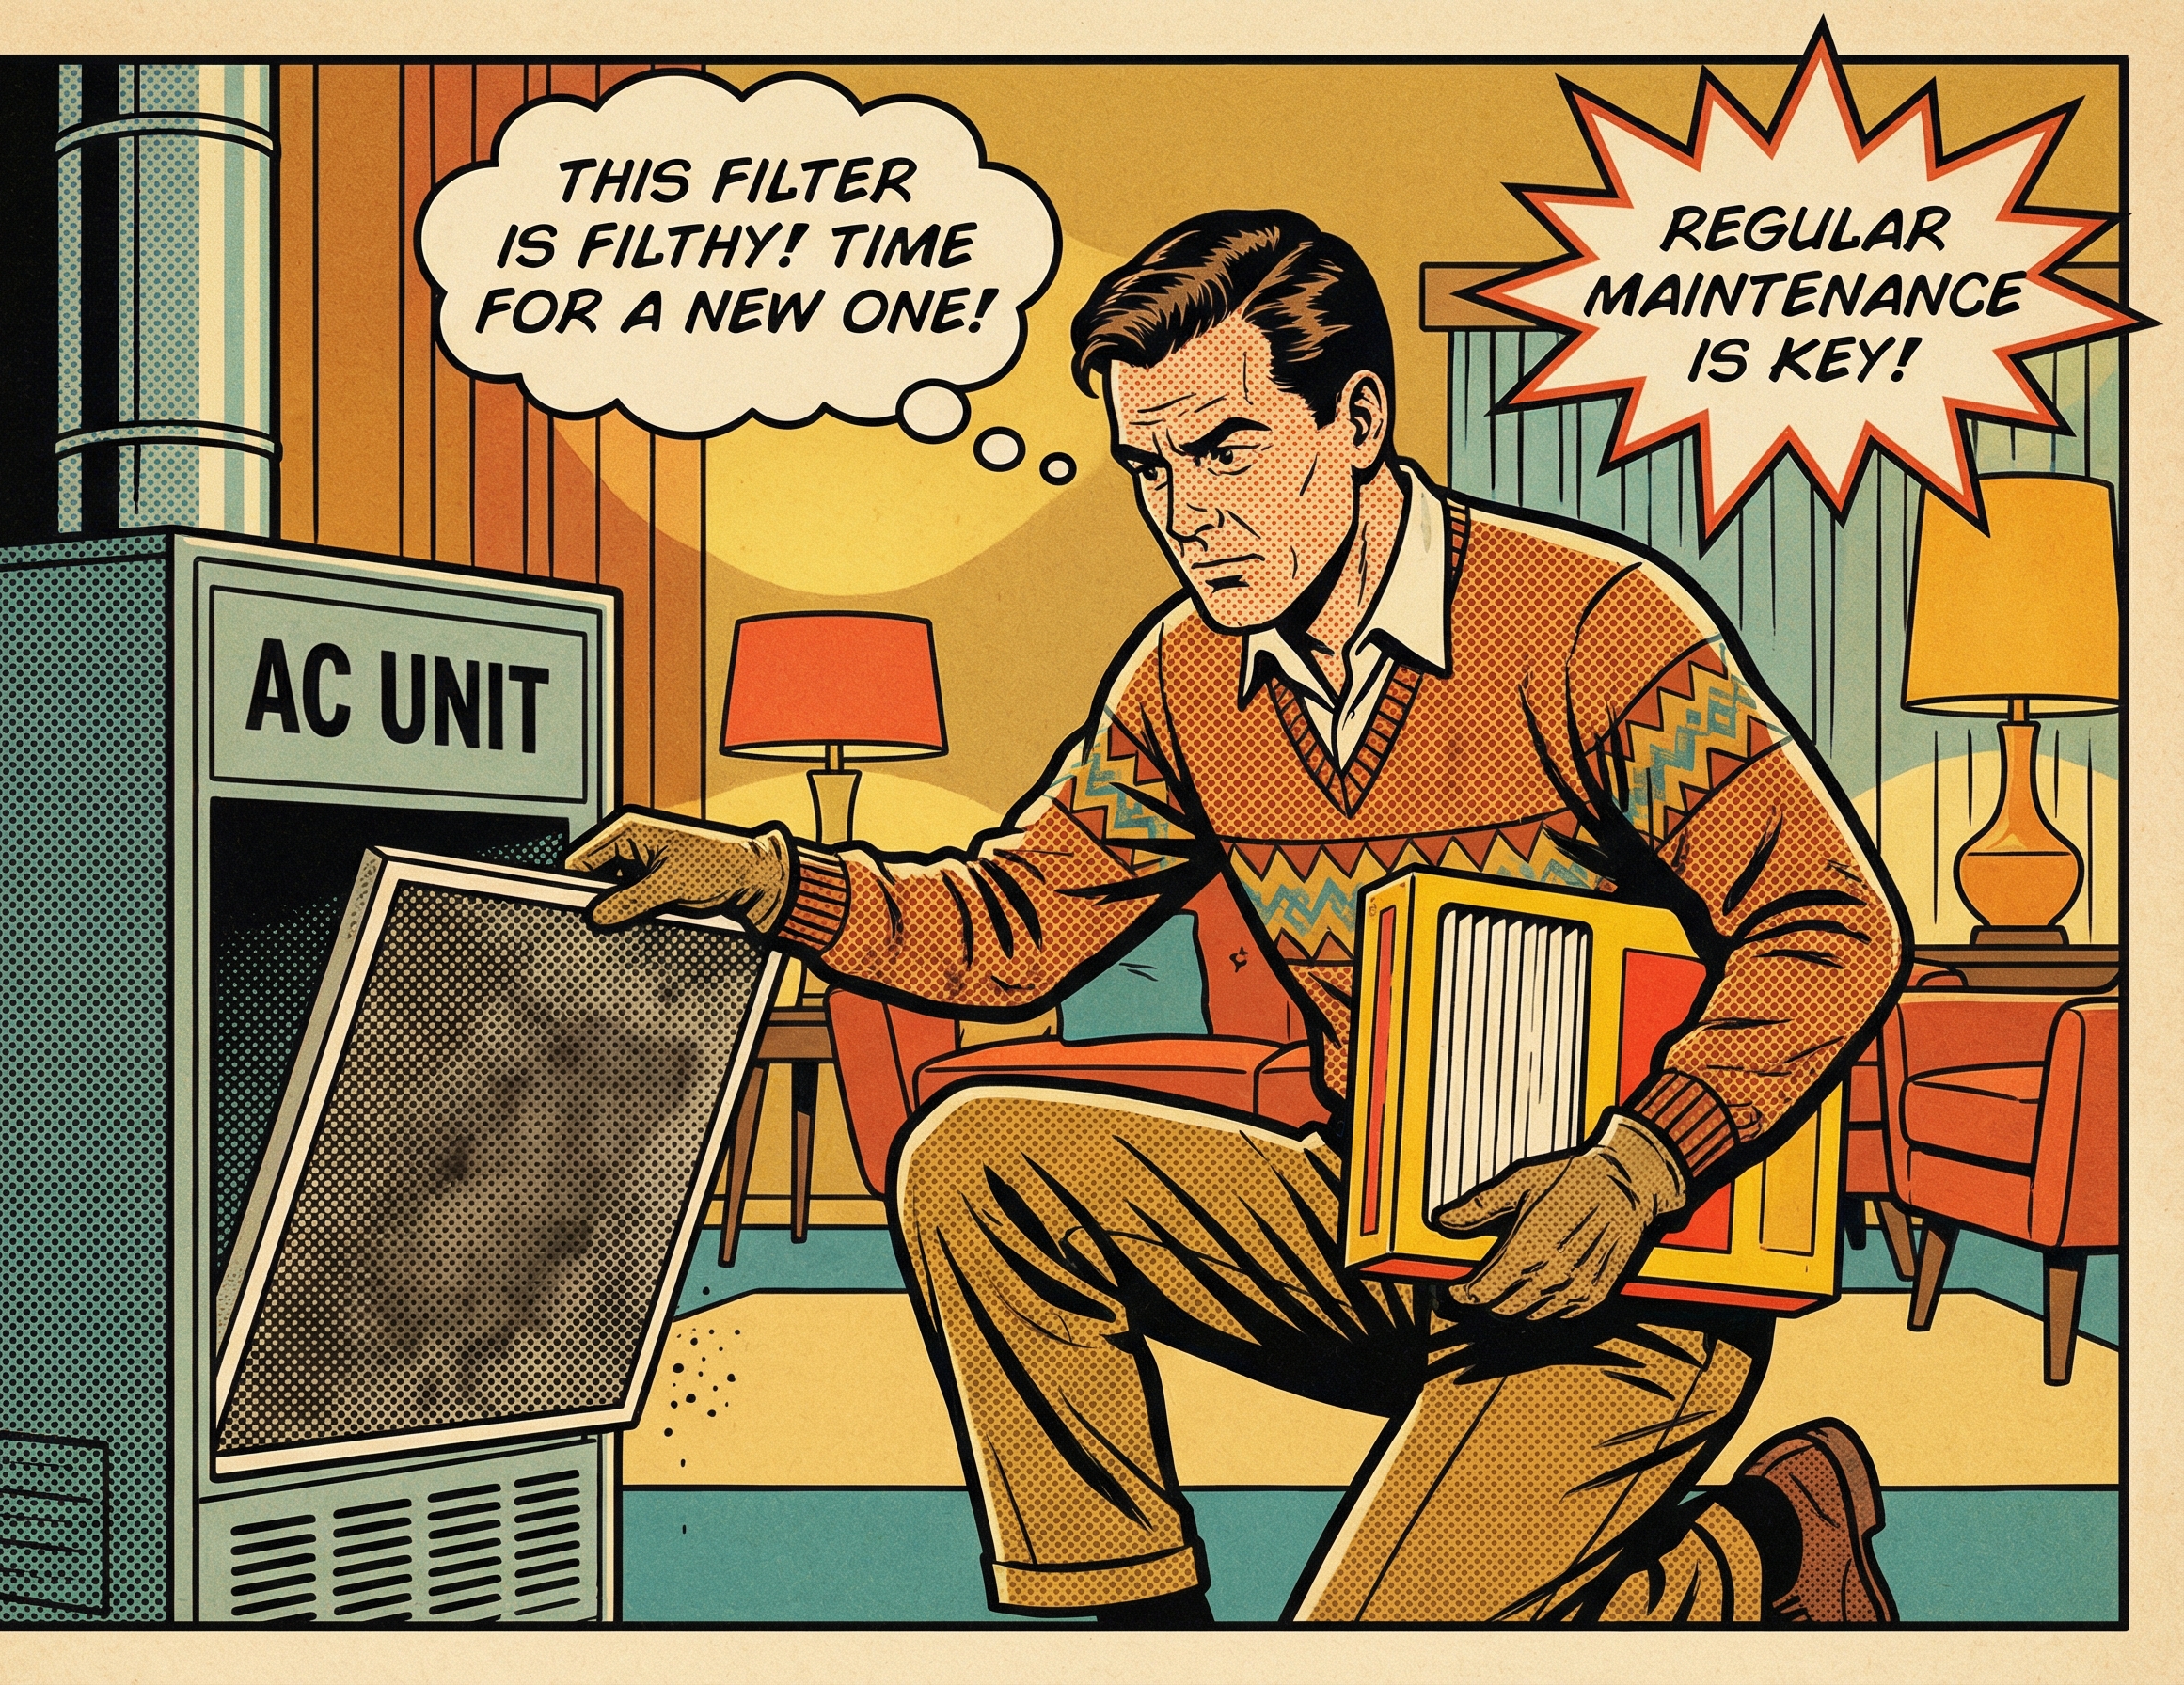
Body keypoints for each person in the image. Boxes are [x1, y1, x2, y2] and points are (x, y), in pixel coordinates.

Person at [566, 210, 1907, 1624]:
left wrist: (1641, 1164)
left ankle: (1767, 1543)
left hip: (1632, 1278)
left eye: (1225, 451)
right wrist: (766, 882)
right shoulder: (1187, 680)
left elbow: (1830, 922)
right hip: (1374, 1228)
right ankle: (1134, 1624)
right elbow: (1017, 922)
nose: (1186, 512)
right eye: (1151, 467)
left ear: (1358, 421)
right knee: (975, 1160)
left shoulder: (1592, 623)